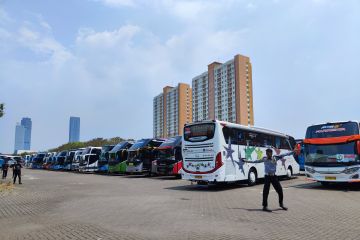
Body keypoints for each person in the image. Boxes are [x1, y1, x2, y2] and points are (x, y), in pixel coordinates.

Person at [242, 148, 288, 212]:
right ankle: (265, 206)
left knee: (280, 190)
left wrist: (294, 151)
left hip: (274, 176)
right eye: (266, 153)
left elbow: (285, 154)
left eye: (268, 153)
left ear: (271, 153)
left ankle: (281, 204)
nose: (267, 154)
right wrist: (246, 161)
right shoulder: (264, 159)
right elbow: (255, 161)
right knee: (265, 192)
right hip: (267, 177)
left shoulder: (275, 158)